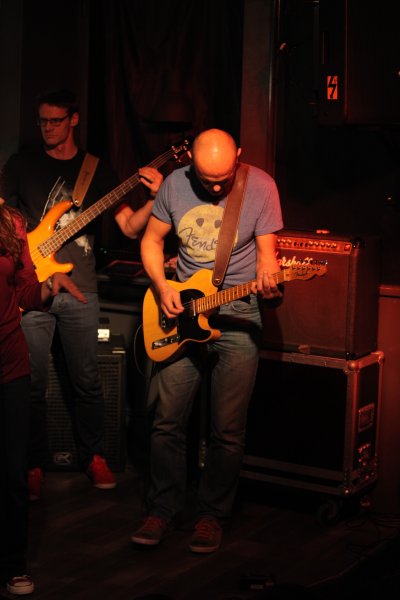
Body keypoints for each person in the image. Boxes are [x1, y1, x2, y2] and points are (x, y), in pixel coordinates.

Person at [0, 89, 163, 500]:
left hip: (81, 287)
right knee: (32, 383)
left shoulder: (97, 170)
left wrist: (155, 199)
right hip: (33, 285)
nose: (47, 128)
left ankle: (93, 455)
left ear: (73, 120)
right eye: (42, 121)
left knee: (88, 380)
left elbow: (129, 227)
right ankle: (33, 463)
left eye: (55, 121)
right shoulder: (21, 164)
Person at [132, 128, 284, 553]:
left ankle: (211, 515)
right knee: (166, 421)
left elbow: (267, 256)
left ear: (239, 155)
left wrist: (270, 278)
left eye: (223, 179)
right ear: (190, 166)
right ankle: (162, 510)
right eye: (206, 180)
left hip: (238, 314)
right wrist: (162, 286)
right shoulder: (175, 184)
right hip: (182, 312)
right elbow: (151, 240)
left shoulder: (261, 187)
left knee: (227, 429)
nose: (216, 188)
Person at [0, 200, 86, 596]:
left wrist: (49, 286)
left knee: (13, 473)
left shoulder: (10, 223)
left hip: (9, 366)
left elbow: (26, 291)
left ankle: (13, 565)